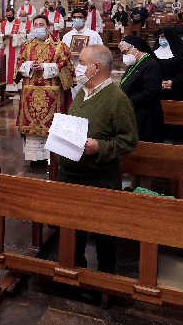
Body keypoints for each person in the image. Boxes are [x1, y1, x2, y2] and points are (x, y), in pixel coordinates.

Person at [57, 45, 137, 273]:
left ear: (96, 67)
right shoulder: (83, 92)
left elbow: (129, 140)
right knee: (72, 229)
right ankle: (75, 272)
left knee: (103, 231)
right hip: (71, 173)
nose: (77, 67)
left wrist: (100, 146)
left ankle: (104, 281)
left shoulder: (117, 99)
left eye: (81, 62)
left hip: (98, 176)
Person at [15, 15, 75, 164]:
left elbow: (66, 67)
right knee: (33, 130)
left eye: (41, 25)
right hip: (30, 93)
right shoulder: (27, 46)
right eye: (35, 25)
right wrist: (29, 66)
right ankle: (35, 157)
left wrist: (45, 67)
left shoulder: (60, 46)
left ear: (48, 28)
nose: (38, 28)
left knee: (52, 127)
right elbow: (18, 65)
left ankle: (52, 157)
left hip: (52, 95)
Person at [118, 36, 163, 142]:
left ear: (135, 48)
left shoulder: (151, 65)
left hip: (146, 114)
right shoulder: (135, 64)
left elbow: (149, 93)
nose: (124, 56)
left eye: (125, 52)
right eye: (123, 53)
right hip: (135, 110)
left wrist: (127, 101)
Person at [153, 25, 183, 101]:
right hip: (158, 87)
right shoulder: (155, 51)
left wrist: (172, 81)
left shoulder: (180, 51)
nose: (161, 39)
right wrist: (160, 81)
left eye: (163, 37)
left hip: (176, 88)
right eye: (159, 37)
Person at [0, 8, 31, 86]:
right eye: (7, 16)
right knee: (5, 67)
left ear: (14, 14)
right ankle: (4, 85)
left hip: (15, 49)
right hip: (5, 48)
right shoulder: (2, 24)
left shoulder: (19, 24)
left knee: (14, 66)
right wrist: (3, 38)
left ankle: (14, 86)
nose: (9, 17)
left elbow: (23, 36)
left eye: (10, 15)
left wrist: (13, 36)